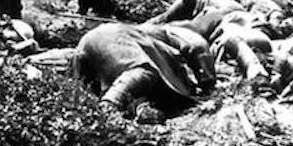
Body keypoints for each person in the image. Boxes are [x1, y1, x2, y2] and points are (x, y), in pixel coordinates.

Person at [74, 22, 215, 121]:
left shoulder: (147, 34)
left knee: (81, 105)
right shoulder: (170, 32)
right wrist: (208, 85)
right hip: (108, 37)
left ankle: (102, 111)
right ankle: (107, 108)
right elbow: (198, 45)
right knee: (144, 72)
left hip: (86, 49)